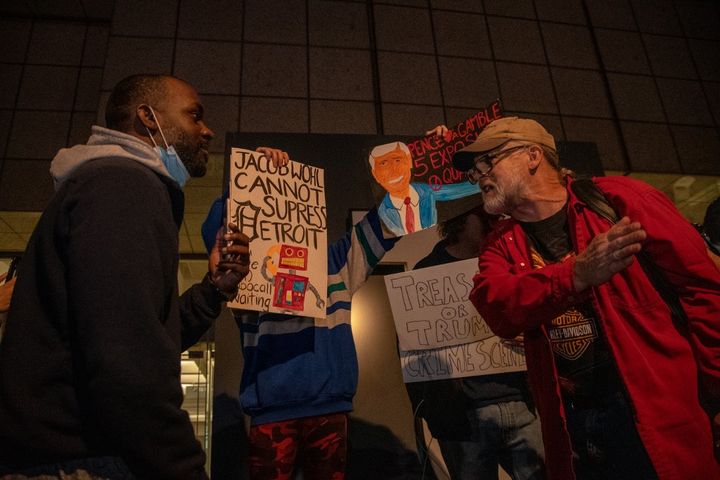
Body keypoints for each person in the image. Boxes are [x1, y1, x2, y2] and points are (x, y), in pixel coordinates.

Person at [0, 74, 253, 479]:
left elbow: (143, 333)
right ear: (148, 118)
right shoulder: (122, 185)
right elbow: (126, 357)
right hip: (83, 460)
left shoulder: (113, 186)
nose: (207, 131)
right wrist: (183, 467)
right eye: (194, 115)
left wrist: (213, 292)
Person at [451, 116, 720, 480]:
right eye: (475, 170)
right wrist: (576, 275)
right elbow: (497, 307)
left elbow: (702, 291)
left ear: (533, 156)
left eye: (489, 161)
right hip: (573, 424)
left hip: (656, 415)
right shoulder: (499, 244)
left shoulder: (621, 199)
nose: (480, 176)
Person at [406, 195, 545, 480]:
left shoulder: (508, 263)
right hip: (463, 417)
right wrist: (432, 410)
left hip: (520, 403)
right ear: (462, 220)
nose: (494, 224)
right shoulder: (426, 273)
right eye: (485, 217)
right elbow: (414, 349)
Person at [369, 141, 479, 236]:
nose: (394, 170)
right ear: (375, 174)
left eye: (398, 160)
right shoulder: (383, 212)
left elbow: (459, 190)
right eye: (383, 164)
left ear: (409, 162)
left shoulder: (427, 192)